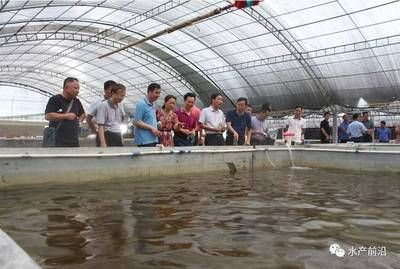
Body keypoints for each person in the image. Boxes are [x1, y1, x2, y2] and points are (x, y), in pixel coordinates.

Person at [45, 77, 85, 147]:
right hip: (57, 140)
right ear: (66, 87)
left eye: (78, 88)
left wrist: (79, 122)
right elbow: (48, 116)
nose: (78, 91)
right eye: (75, 88)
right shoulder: (55, 99)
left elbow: (83, 114)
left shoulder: (76, 101)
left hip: (73, 140)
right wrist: (66, 116)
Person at [86, 80, 117, 146]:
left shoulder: (117, 102)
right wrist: (95, 131)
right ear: (105, 90)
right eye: (111, 90)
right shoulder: (97, 102)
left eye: (115, 90)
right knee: (103, 154)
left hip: (115, 133)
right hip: (103, 134)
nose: (113, 92)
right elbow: (88, 119)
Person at [133, 83, 161, 147]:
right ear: (149, 92)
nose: (158, 95)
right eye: (156, 93)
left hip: (153, 139)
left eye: (159, 93)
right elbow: (136, 121)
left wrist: (157, 125)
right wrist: (151, 128)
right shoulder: (141, 104)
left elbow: (148, 120)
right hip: (144, 141)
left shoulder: (153, 104)